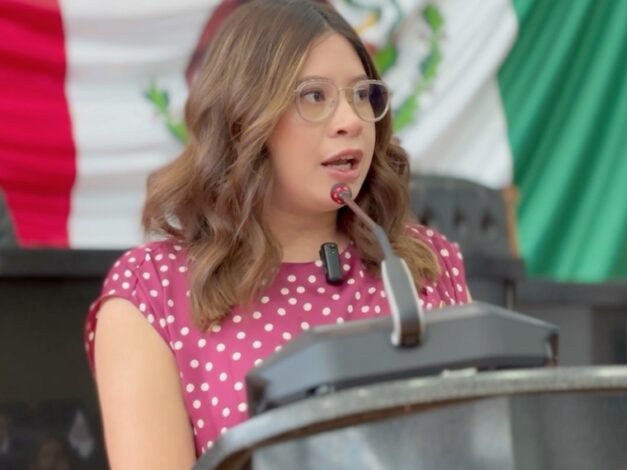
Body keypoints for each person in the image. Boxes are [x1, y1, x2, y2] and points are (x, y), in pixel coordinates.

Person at [84, 0, 470, 467]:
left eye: (361, 95)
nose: (350, 120)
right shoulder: (153, 291)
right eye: (315, 97)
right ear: (244, 119)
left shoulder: (422, 263)